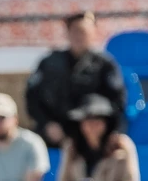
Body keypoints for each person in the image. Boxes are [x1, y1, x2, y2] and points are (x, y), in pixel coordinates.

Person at [25, 10, 128, 147]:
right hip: (55, 132)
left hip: (93, 136)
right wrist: (47, 124)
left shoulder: (105, 65)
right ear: (67, 33)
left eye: (84, 31)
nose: (79, 36)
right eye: (75, 31)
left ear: (93, 33)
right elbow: (32, 98)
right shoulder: (49, 63)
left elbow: (117, 101)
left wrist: (95, 127)